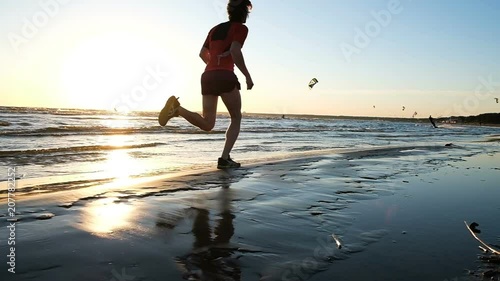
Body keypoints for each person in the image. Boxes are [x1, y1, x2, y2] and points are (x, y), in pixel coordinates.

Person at [158, 0, 253, 169]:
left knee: (208, 123)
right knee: (236, 117)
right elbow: (235, 50)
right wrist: (247, 76)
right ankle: (224, 159)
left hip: (208, 75)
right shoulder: (241, 29)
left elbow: (202, 53)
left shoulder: (214, 29)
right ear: (244, 13)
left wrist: (214, 64)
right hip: (225, 76)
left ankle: (177, 109)